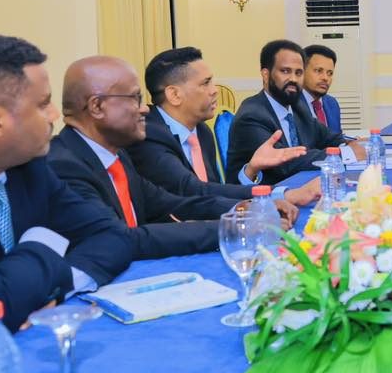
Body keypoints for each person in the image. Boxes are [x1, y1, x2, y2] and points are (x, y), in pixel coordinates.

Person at [47, 56, 297, 258]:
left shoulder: (116, 154)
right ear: (96, 106)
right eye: (135, 98)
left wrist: (245, 208)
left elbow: (171, 203)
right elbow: (122, 238)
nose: (144, 109)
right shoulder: (65, 166)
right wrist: (235, 227)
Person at [0, 34, 131, 332]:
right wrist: (43, 241)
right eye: (43, 104)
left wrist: (57, 287)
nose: (55, 115)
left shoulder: (29, 169)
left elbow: (113, 235)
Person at [126, 47, 320, 205]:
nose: (215, 91)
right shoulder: (148, 135)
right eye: (205, 83)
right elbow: (193, 191)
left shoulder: (202, 132)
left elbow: (217, 192)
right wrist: (282, 195)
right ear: (175, 95)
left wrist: (251, 169)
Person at [226, 40, 364, 185]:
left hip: (300, 187)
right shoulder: (252, 115)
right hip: (260, 195)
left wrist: (355, 144)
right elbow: (285, 162)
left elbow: (329, 137)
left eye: (298, 73)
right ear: (266, 75)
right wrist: (347, 153)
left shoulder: (297, 107)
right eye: (285, 71)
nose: (293, 79)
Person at [302, 44, 343, 133]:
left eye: (330, 73)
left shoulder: (332, 103)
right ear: (302, 71)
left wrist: (350, 140)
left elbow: (336, 137)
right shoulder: (291, 105)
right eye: (318, 71)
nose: (325, 78)